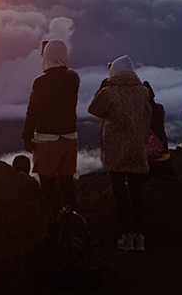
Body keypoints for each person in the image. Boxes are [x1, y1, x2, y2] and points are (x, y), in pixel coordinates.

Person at [88, 55, 151, 252]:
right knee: (136, 192)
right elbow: (148, 115)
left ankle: (126, 236)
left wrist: (102, 87)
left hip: (116, 149)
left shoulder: (110, 92)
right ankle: (139, 238)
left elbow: (94, 109)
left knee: (120, 193)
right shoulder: (143, 91)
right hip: (137, 147)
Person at [21, 39, 81, 212]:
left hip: (46, 141)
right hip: (70, 138)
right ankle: (70, 222)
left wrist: (26, 137)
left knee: (48, 186)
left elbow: (32, 112)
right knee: (67, 184)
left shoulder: (40, 83)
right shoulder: (74, 78)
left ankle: (54, 223)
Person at [143, 81, 176, 178]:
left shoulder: (139, 112)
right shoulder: (159, 108)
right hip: (163, 152)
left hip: (147, 155)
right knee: (169, 181)